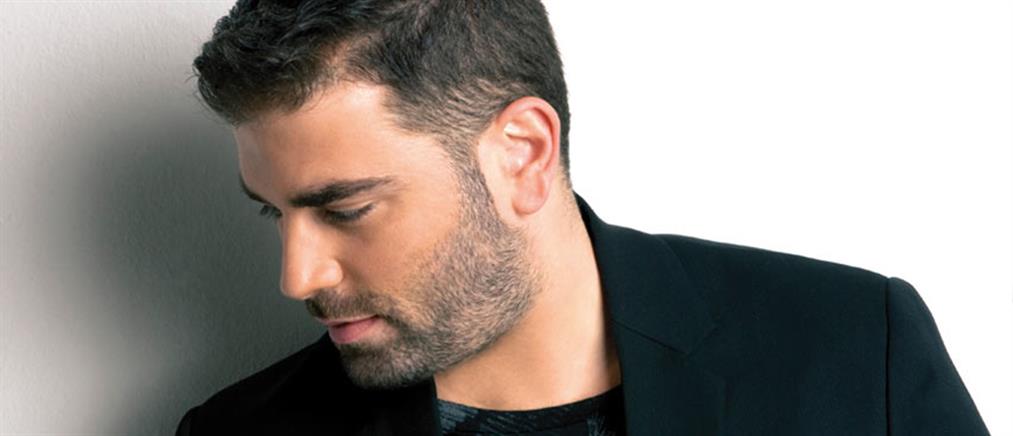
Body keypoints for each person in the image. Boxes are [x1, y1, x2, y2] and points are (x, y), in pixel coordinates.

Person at [176, 1, 990, 435]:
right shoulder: (240, 430)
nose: (297, 277)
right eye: (273, 213)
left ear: (522, 155)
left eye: (346, 208)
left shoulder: (853, 347)